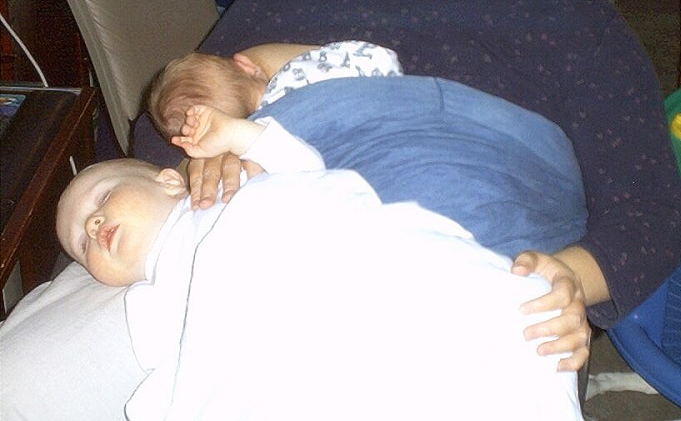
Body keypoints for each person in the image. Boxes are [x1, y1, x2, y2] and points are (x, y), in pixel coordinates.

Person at [137, 0, 681, 371]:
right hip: (286, 287)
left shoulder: (576, 26)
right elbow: (165, 122)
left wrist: (567, 278)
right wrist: (201, 163)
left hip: (477, 306)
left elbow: (651, 212)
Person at [56, 106, 582, 420]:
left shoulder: (227, 186)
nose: (93, 225)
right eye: (80, 243)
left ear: (168, 179)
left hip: (356, 267)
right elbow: (188, 373)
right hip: (297, 346)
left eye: (102, 198)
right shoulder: (146, 299)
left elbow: (303, 167)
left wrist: (235, 134)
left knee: (509, 316)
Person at [148, 42, 588, 260]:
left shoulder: (268, 134)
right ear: (246, 65)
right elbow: (383, 60)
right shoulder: (306, 67)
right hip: (520, 147)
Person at [147, 40, 404, 139]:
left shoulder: (271, 133)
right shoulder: (299, 66)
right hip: (394, 89)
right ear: (246, 65)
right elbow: (378, 56)